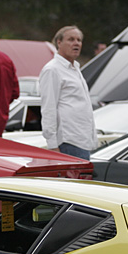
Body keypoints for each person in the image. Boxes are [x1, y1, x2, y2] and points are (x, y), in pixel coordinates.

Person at [39, 25, 96, 159]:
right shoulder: (52, 70)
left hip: (82, 141)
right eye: (71, 39)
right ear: (59, 43)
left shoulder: (75, 69)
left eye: (79, 40)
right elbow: (48, 109)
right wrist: (53, 145)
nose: (76, 43)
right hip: (68, 142)